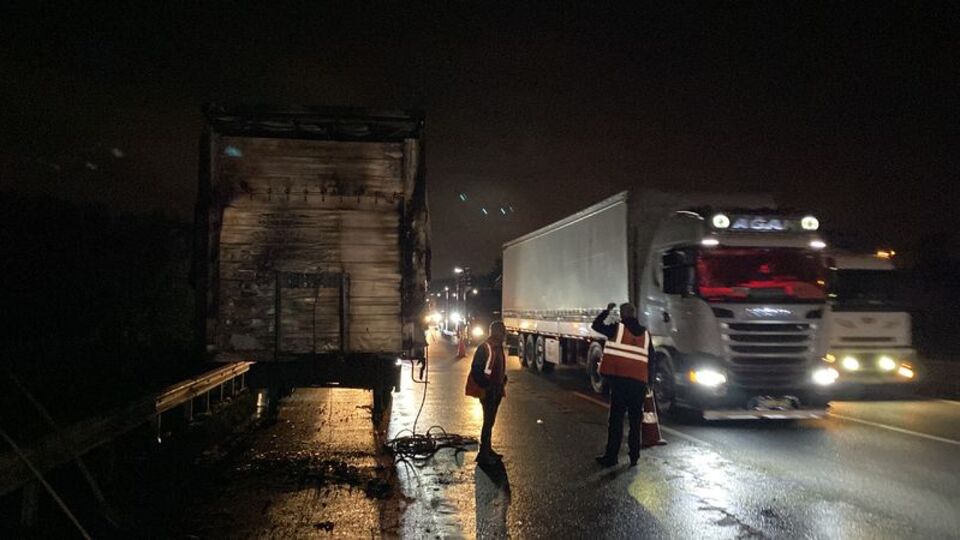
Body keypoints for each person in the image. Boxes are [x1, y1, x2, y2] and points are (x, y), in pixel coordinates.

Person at [591, 302, 654, 467]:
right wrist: (650, 383)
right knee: (635, 422)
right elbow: (651, 360)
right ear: (634, 314)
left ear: (622, 314)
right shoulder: (646, 334)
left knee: (616, 421)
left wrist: (607, 311)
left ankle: (611, 457)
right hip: (639, 384)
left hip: (620, 383)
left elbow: (596, 325)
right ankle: (634, 456)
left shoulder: (617, 329)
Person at [465, 320, 508, 465]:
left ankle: (487, 450)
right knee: (488, 421)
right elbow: (476, 369)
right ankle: (484, 454)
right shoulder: (486, 347)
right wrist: (486, 386)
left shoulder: (497, 346)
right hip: (488, 391)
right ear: (496, 332)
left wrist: (502, 379)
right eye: (502, 331)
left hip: (496, 389)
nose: (504, 334)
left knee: (490, 421)